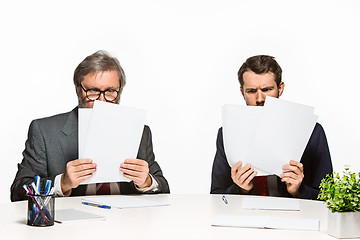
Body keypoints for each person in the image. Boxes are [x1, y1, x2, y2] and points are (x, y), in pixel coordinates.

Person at [11, 50, 170, 201]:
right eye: (93, 91)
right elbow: (18, 191)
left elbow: (163, 188)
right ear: (78, 90)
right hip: (71, 226)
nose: (101, 101)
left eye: (110, 92)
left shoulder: (140, 132)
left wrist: (147, 182)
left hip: (125, 222)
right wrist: (62, 183)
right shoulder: (44, 131)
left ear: (119, 92)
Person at [210, 55, 332, 200]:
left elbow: (329, 197)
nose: (260, 99)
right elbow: (216, 198)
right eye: (251, 91)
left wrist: (297, 190)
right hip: (245, 218)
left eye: (267, 89)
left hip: (294, 219)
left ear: (280, 89)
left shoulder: (312, 132)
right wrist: (241, 189)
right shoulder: (227, 134)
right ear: (242, 92)